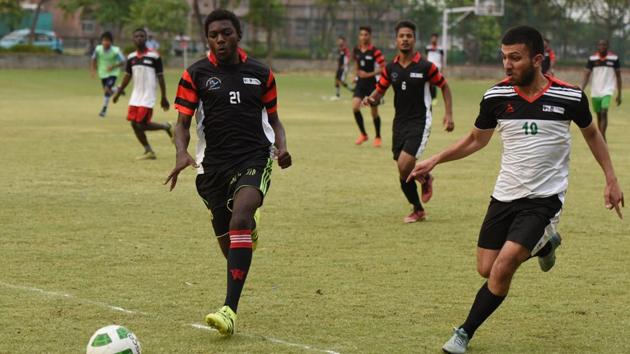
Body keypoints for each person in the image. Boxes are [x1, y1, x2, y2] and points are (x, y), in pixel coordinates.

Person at [407, 26, 624, 354]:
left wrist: (611, 179)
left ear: (538, 59)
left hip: (545, 199)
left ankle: (464, 332)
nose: (507, 64)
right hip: (505, 195)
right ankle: (545, 245)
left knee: (504, 266)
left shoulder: (569, 97)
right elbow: (476, 140)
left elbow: (593, 135)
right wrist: (436, 159)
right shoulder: (496, 97)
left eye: (516, 58)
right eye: (504, 57)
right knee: (486, 268)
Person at [165, 9, 292, 336]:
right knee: (230, 246)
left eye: (226, 33)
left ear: (239, 34)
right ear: (207, 39)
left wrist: (282, 147)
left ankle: (229, 311)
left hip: (254, 156)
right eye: (213, 35)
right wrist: (181, 152)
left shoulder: (261, 73)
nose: (220, 40)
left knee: (240, 219)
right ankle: (248, 226)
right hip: (212, 168)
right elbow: (181, 124)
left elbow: (275, 120)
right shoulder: (195, 74)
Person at [363, 20, 453, 223]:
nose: (405, 39)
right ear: (396, 40)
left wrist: (448, 115)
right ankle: (418, 207)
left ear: (414, 39)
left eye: (409, 36)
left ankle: (423, 178)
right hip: (399, 123)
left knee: (405, 165)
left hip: (420, 121)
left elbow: (444, 87)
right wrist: (371, 98)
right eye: (401, 36)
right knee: (402, 171)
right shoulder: (390, 68)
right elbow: (380, 91)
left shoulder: (426, 66)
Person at [112, 28, 173, 160]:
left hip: (148, 95)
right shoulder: (131, 57)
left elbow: (161, 77)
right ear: (133, 39)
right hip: (136, 96)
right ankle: (149, 151)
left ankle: (166, 126)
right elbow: (127, 76)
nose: (139, 38)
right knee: (134, 124)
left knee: (141, 123)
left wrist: (164, 97)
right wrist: (118, 92)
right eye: (136, 36)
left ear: (146, 39)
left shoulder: (154, 56)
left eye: (142, 36)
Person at [581, 39, 622, 141]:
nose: (602, 47)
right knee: (599, 115)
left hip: (608, 90)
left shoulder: (614, 58)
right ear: (597, 46)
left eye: (604, 45)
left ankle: (602, 136)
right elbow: (586, 74)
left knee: (604, 112)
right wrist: (581, 89)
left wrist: (619, 94)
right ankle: (600, 137)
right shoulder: (592, 59)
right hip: (595, 91)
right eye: (600, 45)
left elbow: (618, 76)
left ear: (607, 46)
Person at [352, 26, 386, 147]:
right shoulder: (356, 49)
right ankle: (363, 134)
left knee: (374, 113)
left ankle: (378, 136)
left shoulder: (375, 51)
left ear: (370, 36)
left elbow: (383, 68)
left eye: (366, 34)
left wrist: (369, 74)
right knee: (355, 107)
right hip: (360, 84)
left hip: (372, 84)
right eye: (361, 34)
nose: (363, 37)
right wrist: (355, 75)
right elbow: (356, 63)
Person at [91, 32, 125, 117]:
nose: (106, 42)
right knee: (107, 92)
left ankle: (104, 110)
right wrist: (93, 70)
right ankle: (118, 89)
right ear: (101, 41)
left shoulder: (116, 50)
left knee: (107, 89)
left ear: (111, 42)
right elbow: (93, 59)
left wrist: (113, 66)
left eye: (108, 41)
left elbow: (123, 61)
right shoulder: (98, 49)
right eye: (104, 40)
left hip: (113, 73)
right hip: (102, 73)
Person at [425, 33, 445, 105]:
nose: (434, 39)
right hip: (429, 67)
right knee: (428, 83)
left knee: (434, 83)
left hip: (437, 67)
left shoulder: (440, 49)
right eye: (432, 38)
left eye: (435, 38)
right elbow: (426, 57)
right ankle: (430, 97)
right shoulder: (428, 48)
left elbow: (442, 59)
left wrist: (442, 68)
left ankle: (434, 98)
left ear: (437, 39)